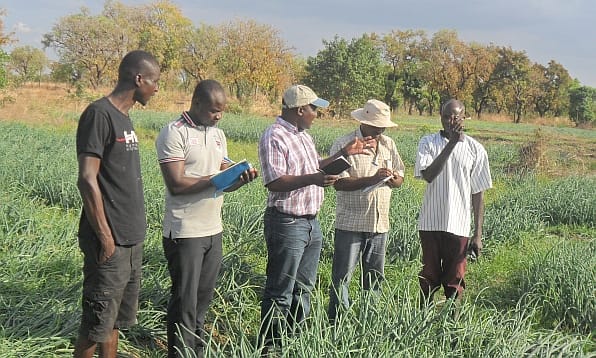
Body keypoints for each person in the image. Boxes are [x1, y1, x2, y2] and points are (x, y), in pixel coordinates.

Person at [257, 84, 374, 350]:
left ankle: (292, 342)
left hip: (311, 223)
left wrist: (344, 154)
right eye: (313, 109)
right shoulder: (274, 136)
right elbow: (274, 181)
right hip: (286, 223)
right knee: (281, 291)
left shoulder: (304, 136)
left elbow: (314, 167)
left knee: (304, 288)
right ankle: (271, 349)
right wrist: (314, 179)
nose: (316, 114)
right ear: (300, 109)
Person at [155, 79, 257, 358]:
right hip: (185, 231)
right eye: (214, 110)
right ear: (197, 103)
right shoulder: (173, 133)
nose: (218, 116)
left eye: (222, 110)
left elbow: (224, 178)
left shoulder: (217, 134)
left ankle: (196, 352)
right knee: (184, 301)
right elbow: (176, 183)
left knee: (202, 300)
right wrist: (216, 179)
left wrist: (241, 178)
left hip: (213, 229)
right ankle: (179, 354)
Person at [73, 50, 160, 358]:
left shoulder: (124, 117)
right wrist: (106, 238)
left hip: (130, 240)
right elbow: (87, 178)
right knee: (94, 327)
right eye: (154, 81)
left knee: (114, 324)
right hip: (110, 242)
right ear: (138, 79)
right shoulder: (99, 114)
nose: (156, 88)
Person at [327, 99, 405, 322]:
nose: (380, 130)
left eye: (383, 127)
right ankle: (337, 323)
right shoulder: (344, 144)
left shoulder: (389, 144)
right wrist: (371, 179)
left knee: (374, 279)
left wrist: (393, 178)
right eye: (376, 126)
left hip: (379, 224)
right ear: (364, 122)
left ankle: (368, 322)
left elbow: (400, 176)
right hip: (351, 223)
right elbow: (338, 183)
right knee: (342, 278)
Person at [414, 99, 492, 315]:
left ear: (464, 117)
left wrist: (478, 234)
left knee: (455, 279)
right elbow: (428, 175)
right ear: (441, 117)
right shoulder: (428, 142)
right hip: (431, 222)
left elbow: (478, 194)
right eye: (447, 116)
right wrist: (451, 144)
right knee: (428, 275)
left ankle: (451, 325)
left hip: (459, 225)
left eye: (456, 116)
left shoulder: (476, 149)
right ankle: (423, 321)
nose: (452, 121)